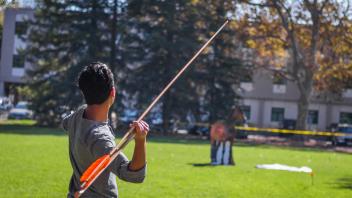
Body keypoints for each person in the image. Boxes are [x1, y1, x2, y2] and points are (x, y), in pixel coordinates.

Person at [62, 62, 149, 198]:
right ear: (113, 92)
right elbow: (134, 175)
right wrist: (140, 140)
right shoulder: (100, 139)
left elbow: (65, 123)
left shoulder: (77, 115)